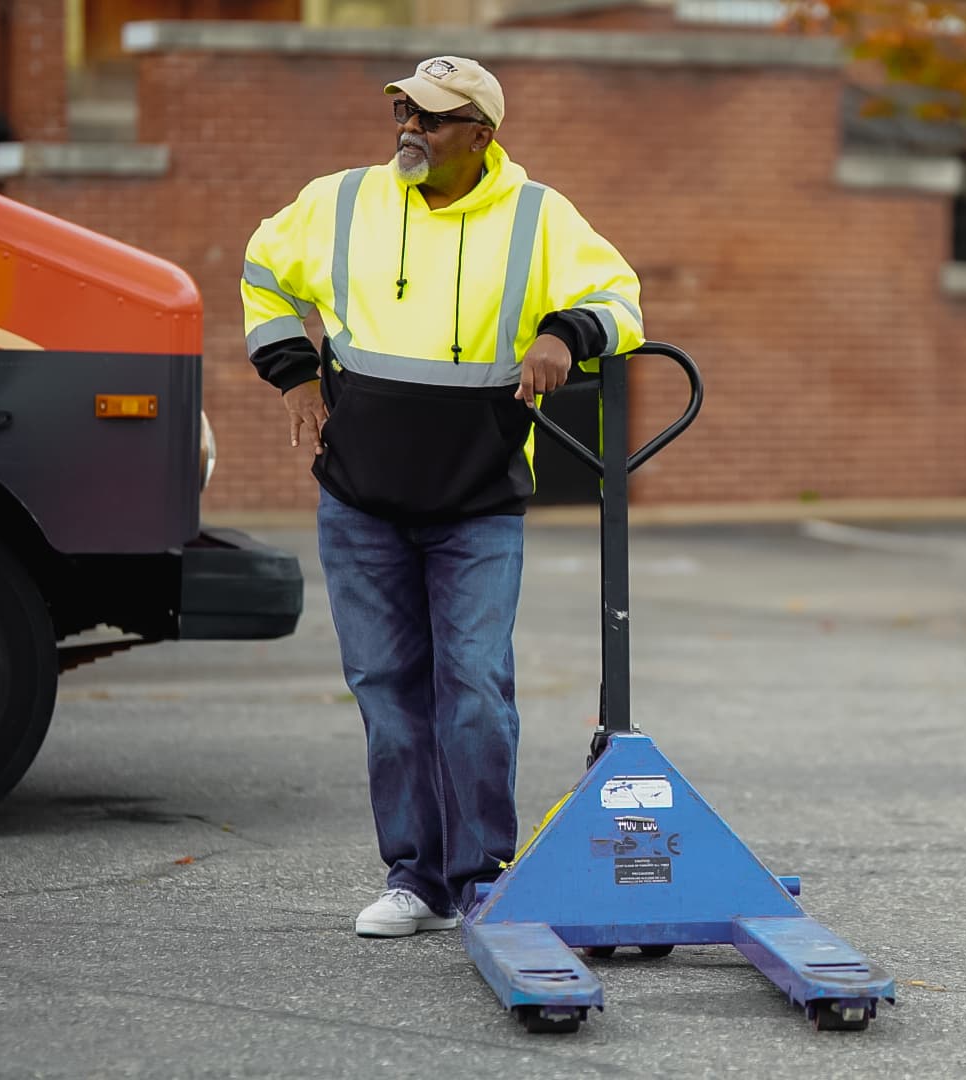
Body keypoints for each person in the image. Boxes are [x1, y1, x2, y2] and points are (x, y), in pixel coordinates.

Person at [241, 56, 644, 937]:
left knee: (473, 689)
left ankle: (481, 877)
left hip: (476, 500)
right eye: (401, 111)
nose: (408, 129)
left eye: (430, 116)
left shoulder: (539, 217)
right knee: (388, 687)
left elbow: (618, 296)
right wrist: (295, 379)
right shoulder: (342, 201)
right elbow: (263, 274)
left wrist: (563, 333)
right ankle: (413, 878)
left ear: (481, 134)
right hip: (359, 496)